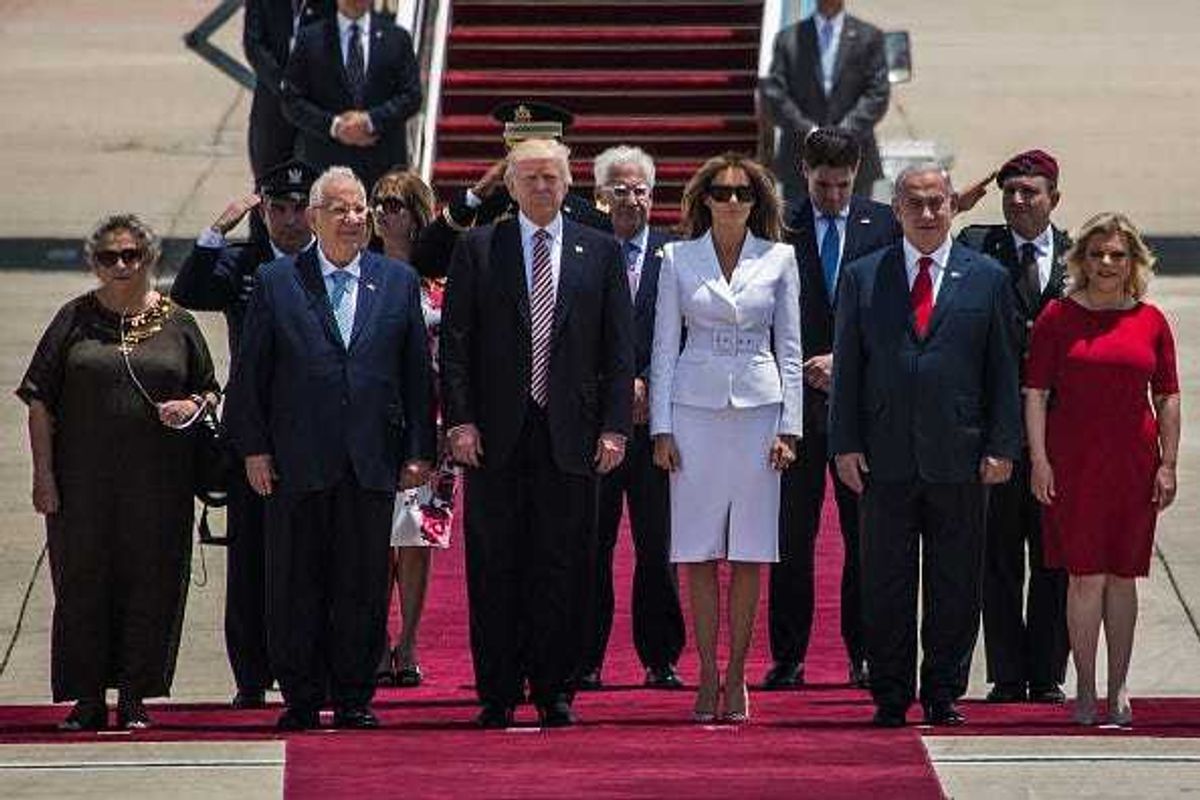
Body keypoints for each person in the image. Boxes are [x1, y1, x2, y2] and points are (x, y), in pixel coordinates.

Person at [228, 166, 435, 731]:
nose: (353, 219)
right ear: (314, 218)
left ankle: (353, 695)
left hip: (371, 460)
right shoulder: (277, 281)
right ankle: (300, 696)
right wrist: (254, 449)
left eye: (359, 208)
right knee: (295, 582)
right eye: (339, 209)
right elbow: (252, 374)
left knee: (362, 583)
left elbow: (416, 374)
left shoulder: (395, 281)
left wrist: (418, 451)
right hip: (297, 461)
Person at [440, 138, 633, 729]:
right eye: (530, 178)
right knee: (495, 565)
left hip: (571, 435)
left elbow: (617, 349)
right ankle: (497, 691)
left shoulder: (600, 251)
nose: (542, 187)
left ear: (569, 183)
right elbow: (456, 345)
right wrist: (461, 420)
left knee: (564, 564)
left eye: (551, 177)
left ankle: (555, 689)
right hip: (496, 435)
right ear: (511, 187)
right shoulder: (479, 248)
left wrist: (614, 428)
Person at [829, 163, 1021, 728]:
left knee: (955, 579)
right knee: (885, 579)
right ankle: (890, 691)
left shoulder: (986, 278)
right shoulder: (864, 276)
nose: (928, 213)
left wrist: (1002, 445)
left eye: (938, 201)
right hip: (883, 456)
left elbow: (1002, 370)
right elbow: (848, 369)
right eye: (915, 203)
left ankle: (942, 689)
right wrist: (844, 443)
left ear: (953, 206)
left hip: (960, 456)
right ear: (897, 211)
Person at [18, 214, 219, 731]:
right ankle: (87, 699)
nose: (121, 265)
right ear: (94, 263)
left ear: (149, 258)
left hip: (159, 486)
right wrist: (43, 477)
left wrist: (192, 405)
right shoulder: (73, 319)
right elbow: (38, 400)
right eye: (109, 257)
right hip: (83, 488)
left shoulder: (178, 322)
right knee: (82, 587)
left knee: (151, 585)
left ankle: (134, 696)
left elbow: (209, 389)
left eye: (132, 255)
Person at [650, 153, 803, 724]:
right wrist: (661, 427)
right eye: (722, 191)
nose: (733, 201)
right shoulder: (677, 258)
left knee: (749, 550)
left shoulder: (780, 258)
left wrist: (791, 427)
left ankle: (737, 672)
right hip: (693, 409)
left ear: (756, 201)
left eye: (743, 192)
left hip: (760, 410)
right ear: (705, 199)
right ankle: (707, 672)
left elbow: (791, 346)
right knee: (696, 549)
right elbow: (663, 345)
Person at [171, 157, 317, 709]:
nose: (291, 219)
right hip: (256, 426)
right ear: (264, 211)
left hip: (320, 429)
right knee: (252, 558)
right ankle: (252, 675)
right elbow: (190, 292)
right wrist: (217, 230)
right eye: (279, 208)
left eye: (301, 207)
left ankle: (314, 668)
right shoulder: (243, 261)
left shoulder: (335, 258)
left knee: (317, 555)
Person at [1025, 212, 1180, 727]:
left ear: (1133, 261)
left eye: (1117, 255)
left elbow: (1168, 396)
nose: (1107, 264)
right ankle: (1086, 688)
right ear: (1081, 261)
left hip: (1133, 466)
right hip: (1073, 465)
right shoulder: (1056, 318)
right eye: (1097, 255)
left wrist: (1168, 464)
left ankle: (1119, 688)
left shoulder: (1151, 321)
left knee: (1122, 576)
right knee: (1084, 577)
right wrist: (1040, 460)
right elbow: (1035, 394)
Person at [765, 127, 899, 692]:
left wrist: (844, 360)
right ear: (804, 172)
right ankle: (788, 656)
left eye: (843, 185)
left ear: (857, 173)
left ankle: (864, 652)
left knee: (864, 537)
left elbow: (896, 312)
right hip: (793, 403)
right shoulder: (778, 225)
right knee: (790, 537)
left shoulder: (884, 225)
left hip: (862, 404)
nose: (834, 196)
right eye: (823, 185)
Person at [957, 149, 1071, 705]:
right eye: (1010, 192)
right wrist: (953, 205)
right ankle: (1006, 673)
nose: (1018, 201)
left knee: (1054, 555)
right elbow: (911, 245)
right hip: (997, 428)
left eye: (1030, 192)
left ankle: (1046, 673)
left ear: (1054, 198)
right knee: (998, 556)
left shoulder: (1079, 254)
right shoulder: (978, 245)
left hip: (1061, 434)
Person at [576, 145, 685, 692]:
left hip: (658, 424)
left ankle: (660, 658)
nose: (631, 200)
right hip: (597, 425)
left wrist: (647, 381)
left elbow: (687, 331)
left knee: (657, 546)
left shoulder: (676, 254)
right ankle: (584, 659)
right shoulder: (586, 251)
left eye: (640, 190)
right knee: (591, 546)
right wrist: (616, 388)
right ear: (601, 196)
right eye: (619, 190)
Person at [369, 168, 453, 688]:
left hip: (432, 423)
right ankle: (377, 640)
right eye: (378, 203)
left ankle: (409, 641)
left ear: (418, 214)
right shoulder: (363, 274)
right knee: (376, 537)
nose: (383, 213)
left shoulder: (441, 282)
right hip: (375, 422)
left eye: (395, 205)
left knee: (417, 535)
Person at [281, 0, 421, 192]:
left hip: (384, 172)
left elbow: (412, 95)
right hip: (325, 171)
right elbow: (291, 100)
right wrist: (335, 126)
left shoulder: (397, 38)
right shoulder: (310, 39)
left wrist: (370, 121)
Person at [760, 0, 890, 200]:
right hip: (800, 160)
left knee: (856, 221)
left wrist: (844, 132)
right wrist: (808, 131)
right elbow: (775, 94)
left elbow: (878, 93)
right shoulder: (788, 39)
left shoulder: (869, 37)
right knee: (800, 220)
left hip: (855, 162)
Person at [438, 102, 612, 236]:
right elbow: (433, 256)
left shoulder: (587, 217)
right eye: (514, 152)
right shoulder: (489, 209)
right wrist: (475, 196)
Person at [243, 0, 332, 182]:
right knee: (270, 180)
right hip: (273, 103)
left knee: (321, 181)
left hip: (318, 104)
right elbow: (253, 44)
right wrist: (282, 84)